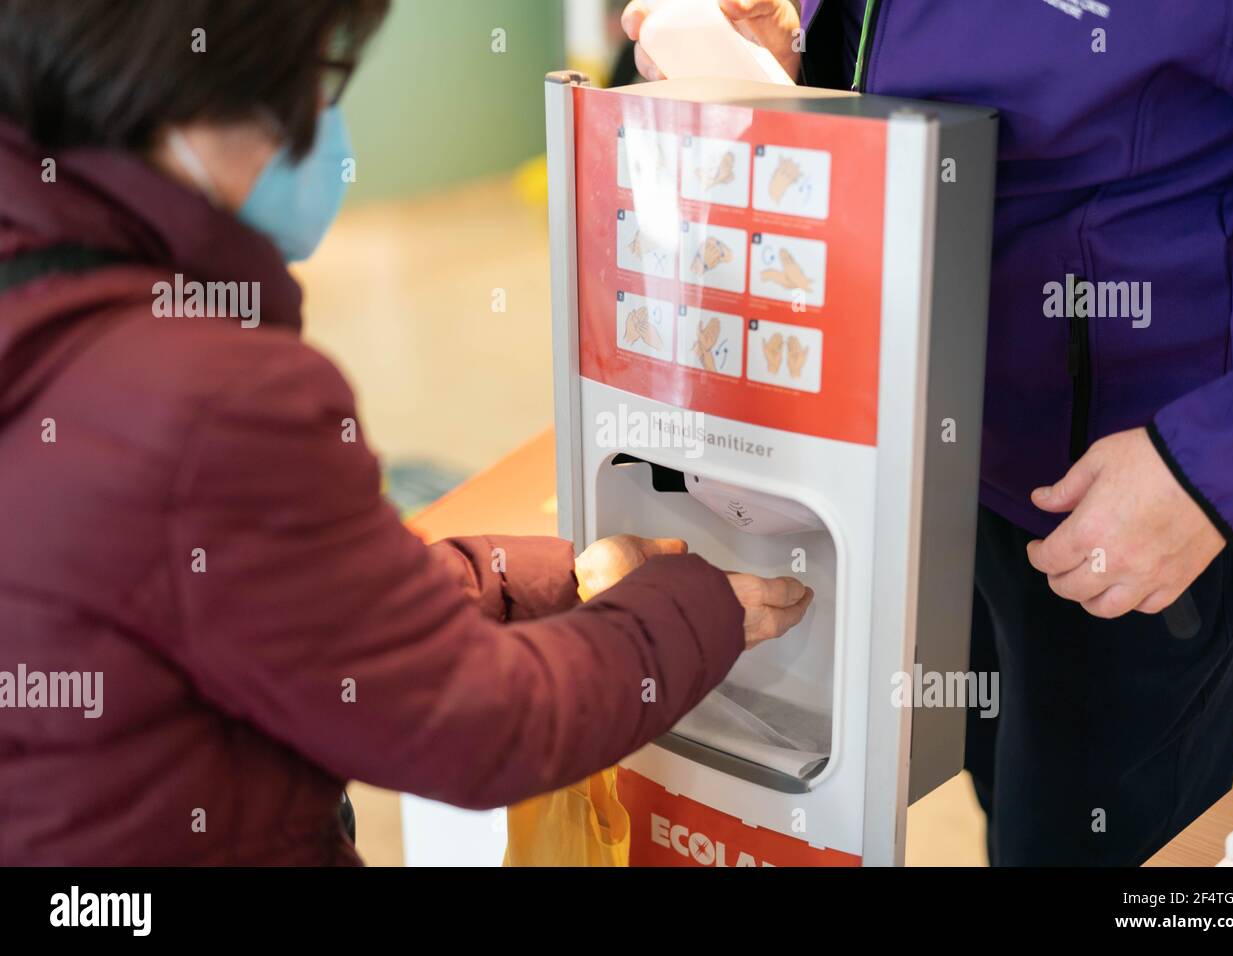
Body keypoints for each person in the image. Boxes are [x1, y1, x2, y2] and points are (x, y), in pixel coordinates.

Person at [0, 0, 813, 865]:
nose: (326, 126)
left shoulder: (48, 299)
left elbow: (258, 599)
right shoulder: (214, 400)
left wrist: (541, 581)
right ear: (197, 96)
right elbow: (481, 728)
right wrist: (696, 607)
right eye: (314, 82)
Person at [624, 0, 1233, 865]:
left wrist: (1221, 457)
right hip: (949, 430)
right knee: (1000, 776)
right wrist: (797, 33)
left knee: (1104, 838)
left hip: (1141, 479)